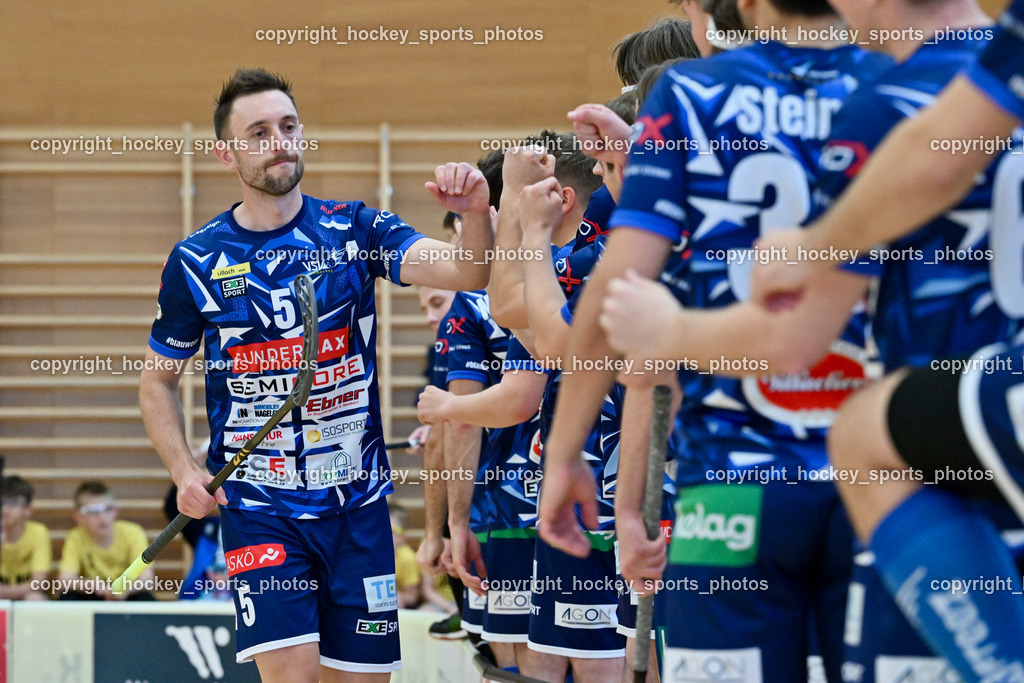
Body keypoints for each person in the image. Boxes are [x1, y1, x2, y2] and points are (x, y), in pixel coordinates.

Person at [599, 0, 1024, 678]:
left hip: (795, 478)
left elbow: (790, 340)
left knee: (867, 436)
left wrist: (671, 330)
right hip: (936, 458)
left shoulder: (886, 103)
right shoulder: (960, 73)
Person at [538, 0, 892, 678]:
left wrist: (570, 461)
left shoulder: (692, 97)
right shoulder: (905, 87)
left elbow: (621, 298)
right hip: (882, 479)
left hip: (732, 486)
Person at [139, 67, 493, 682]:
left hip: (358, 510)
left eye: (288, 126)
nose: (279, 141)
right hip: (259, 508)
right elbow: (157, 381)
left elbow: (469, 272)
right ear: (226, 153)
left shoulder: (356, 229)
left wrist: (477, 213)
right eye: (258, 133)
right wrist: (183, 470)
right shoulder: (196, 260)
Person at [58, 481, 155, 601]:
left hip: (127, 593)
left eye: (107, 509)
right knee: (67, 597)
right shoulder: (76, 537)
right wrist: (93, 585)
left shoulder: (133, 532)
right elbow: (65, 580)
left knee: (145, 598)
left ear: (115, 511)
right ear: (78, 517)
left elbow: (147, 579)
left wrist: (126, 589)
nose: (101, 517)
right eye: (93, 511)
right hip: (93, 593)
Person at [0, 475, 51, 601]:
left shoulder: (38, 532)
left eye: (12, 503)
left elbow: (38, 583)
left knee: (34, 599)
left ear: (28, 509)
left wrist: (5, 592)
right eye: (1, 502)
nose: (4, 509)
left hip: (25, 595)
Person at [390, 504, 422, 609]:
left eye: (392, 531)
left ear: (403, 535)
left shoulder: (407, 559)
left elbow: (412, 597)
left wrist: (397, 596)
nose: (385, 536)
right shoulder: (367, 556)